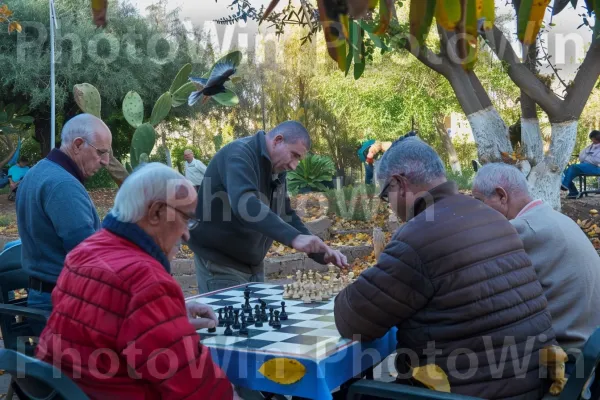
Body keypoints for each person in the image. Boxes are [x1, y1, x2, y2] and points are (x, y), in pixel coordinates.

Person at [334, 137, 556, 399]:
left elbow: (354, 321)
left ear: (400, 183)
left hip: (462, 393)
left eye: (386, 195)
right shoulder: (492, 217)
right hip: (530, 388)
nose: (389, 206)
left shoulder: (418, 235)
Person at [35, 163, 238, 399]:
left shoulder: (84, 252)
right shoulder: (147, 280)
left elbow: (111, 318)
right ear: (156, 212)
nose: (186, 233)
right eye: (186, 218)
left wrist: (171, 315)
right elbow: (195, 386)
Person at [188, 121, 348, 293]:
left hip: (253, 266)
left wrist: (320, 252)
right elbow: (245, 203)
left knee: (256, 320)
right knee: (234, 320)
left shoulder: (277, 169)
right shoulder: (239, 154)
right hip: (220, 265)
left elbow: (285, 212)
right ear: (278, 140)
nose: (294, 165)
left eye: (298, 159)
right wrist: (294, 238)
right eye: (294, 155)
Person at [473, 163, 600, 351]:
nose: (477, 212)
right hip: (590, 344)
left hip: (566, 356)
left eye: (479, 202)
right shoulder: (557, 218)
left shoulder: (521, 231)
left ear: (501, 196)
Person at [16, 113, 111, 322]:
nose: (105, 161)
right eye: (101, 152)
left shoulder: (38, 171)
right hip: (64, 303)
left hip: (45, 296)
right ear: (78, 144)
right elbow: (89, 256)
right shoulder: (62, 185)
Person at [561, 130, 600, 199]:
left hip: (596, 168)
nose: (593, 142)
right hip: (584, 166)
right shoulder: (590, 146)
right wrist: (588, 157)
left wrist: (587, 158)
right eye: (592, 140)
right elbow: (581, 156)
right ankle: (573, 192)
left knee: (573, 167)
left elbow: (596, 160)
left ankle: (564, 185)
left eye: (594, 140)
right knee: (563, 171)